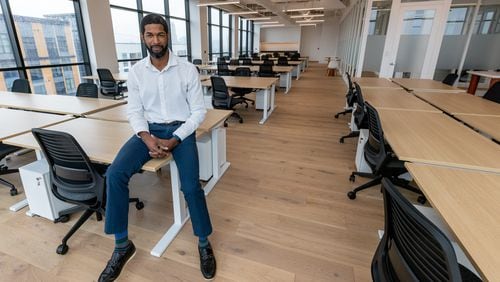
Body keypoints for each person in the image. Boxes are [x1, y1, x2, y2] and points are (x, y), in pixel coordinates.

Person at [98, 14, 216, 281]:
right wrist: (147, 137)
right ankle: (121, 245)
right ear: (143, 38)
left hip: (181, 130)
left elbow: (198, 112)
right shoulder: (137, 71)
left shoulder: (187, 69)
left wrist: (175, 138)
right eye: (150, 35)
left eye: (160, 34)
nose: (155, 40)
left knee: (191, 187)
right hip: (148, 130)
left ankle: (203, 242)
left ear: (167, 36)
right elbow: (134, 111)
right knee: (115, 174)